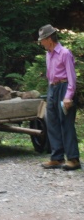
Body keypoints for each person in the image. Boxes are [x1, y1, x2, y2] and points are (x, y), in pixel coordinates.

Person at [38, 24, 81, 171]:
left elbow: (71, 77)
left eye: (42, 40)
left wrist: (68, 96)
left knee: (66, 124)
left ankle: (73, 159)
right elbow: (50, 75)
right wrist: (51, 90)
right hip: (53, 88)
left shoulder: (64, 53)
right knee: (53, 123)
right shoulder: (48, 54)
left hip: (64, 88)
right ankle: (57, 158)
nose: (41, 43)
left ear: (49, 39)